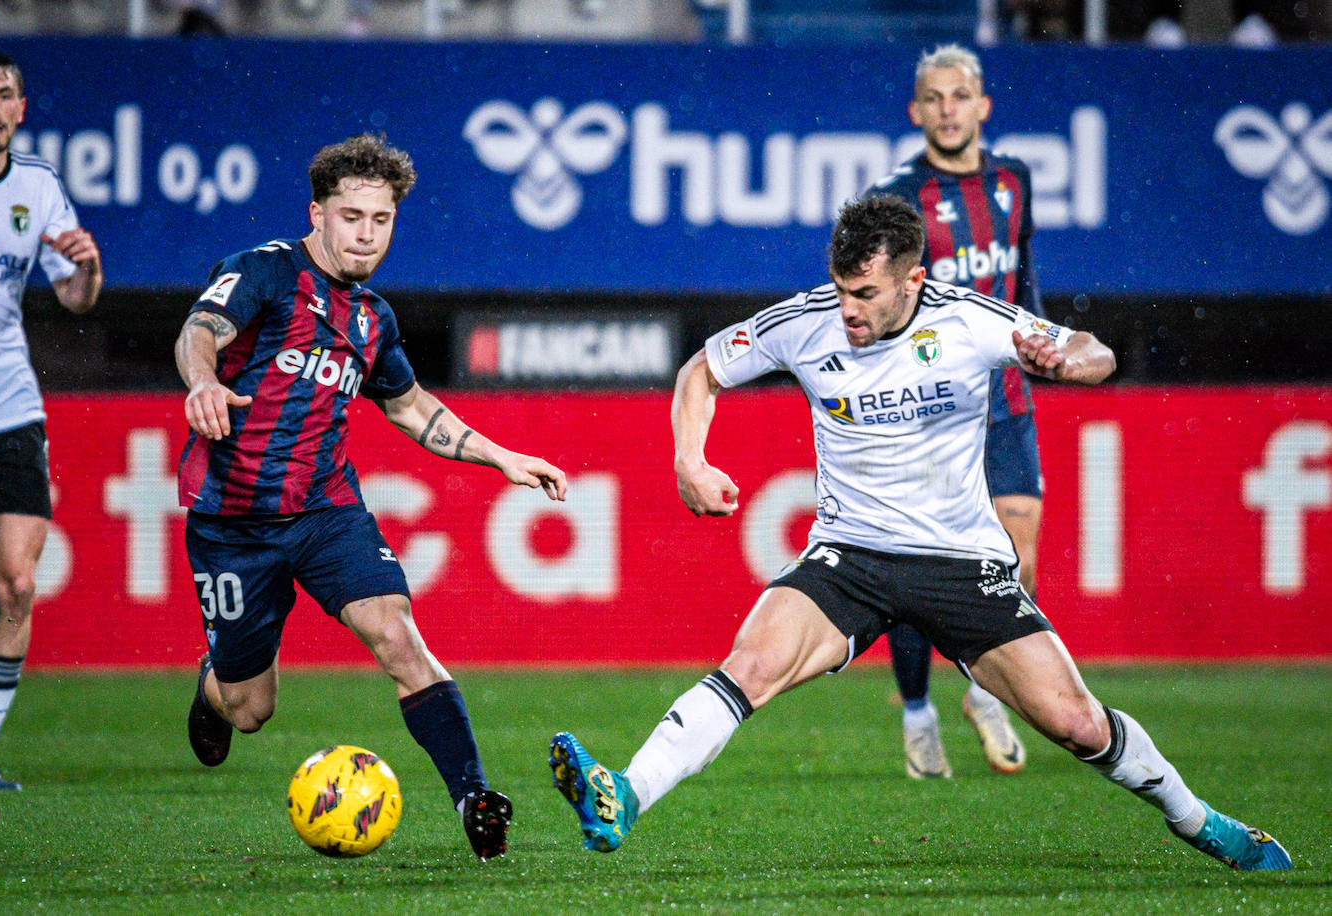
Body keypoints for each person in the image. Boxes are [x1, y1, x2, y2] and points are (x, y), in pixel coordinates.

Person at [547, 195, 1291, 873]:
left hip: (961, 563)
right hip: (850, 556)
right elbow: (700, 371)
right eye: (840, 291)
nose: (847, 311)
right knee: (752, 665)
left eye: (865, 294)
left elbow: (1096, 351)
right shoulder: (805, 322)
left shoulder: (971, 318)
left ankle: (1200, 822)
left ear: (912, 281)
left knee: (1076, 723)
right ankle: (626, 793)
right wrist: (690, 459)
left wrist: (1067, 359)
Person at [175, 134, 567, 861]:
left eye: (380, 220)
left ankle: (474, 799)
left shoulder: (371, 318)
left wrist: (501, 457)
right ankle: (213, 691)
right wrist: (203, 381)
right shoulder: (263, 271)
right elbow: (201, 330)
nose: (364, 234)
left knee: (399, 635)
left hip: (326, 511)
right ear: (317, 213)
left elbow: (413, 408)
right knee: (251, 708)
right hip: (233, 524)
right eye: (350, 216)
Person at [862, 43, 1036, 780]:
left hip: (1006, 400)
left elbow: (1025, 274)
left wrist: (1042, 341)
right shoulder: (899, 196)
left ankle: (981, 689)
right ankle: (917, 713)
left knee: (1015, 559)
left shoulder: (1013, 180)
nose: (948, 109)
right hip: (932, 408)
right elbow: (878, 298)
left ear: (983, 104)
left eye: (959, 95)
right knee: (919, 572)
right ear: (917, 111)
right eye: (934, 98)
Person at [0, 47, 103, 791]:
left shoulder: (38, 185)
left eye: (3, 94)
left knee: (15, 586)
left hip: (11, 407)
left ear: (21, 110)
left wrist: (86, 266)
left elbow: (76, 298)